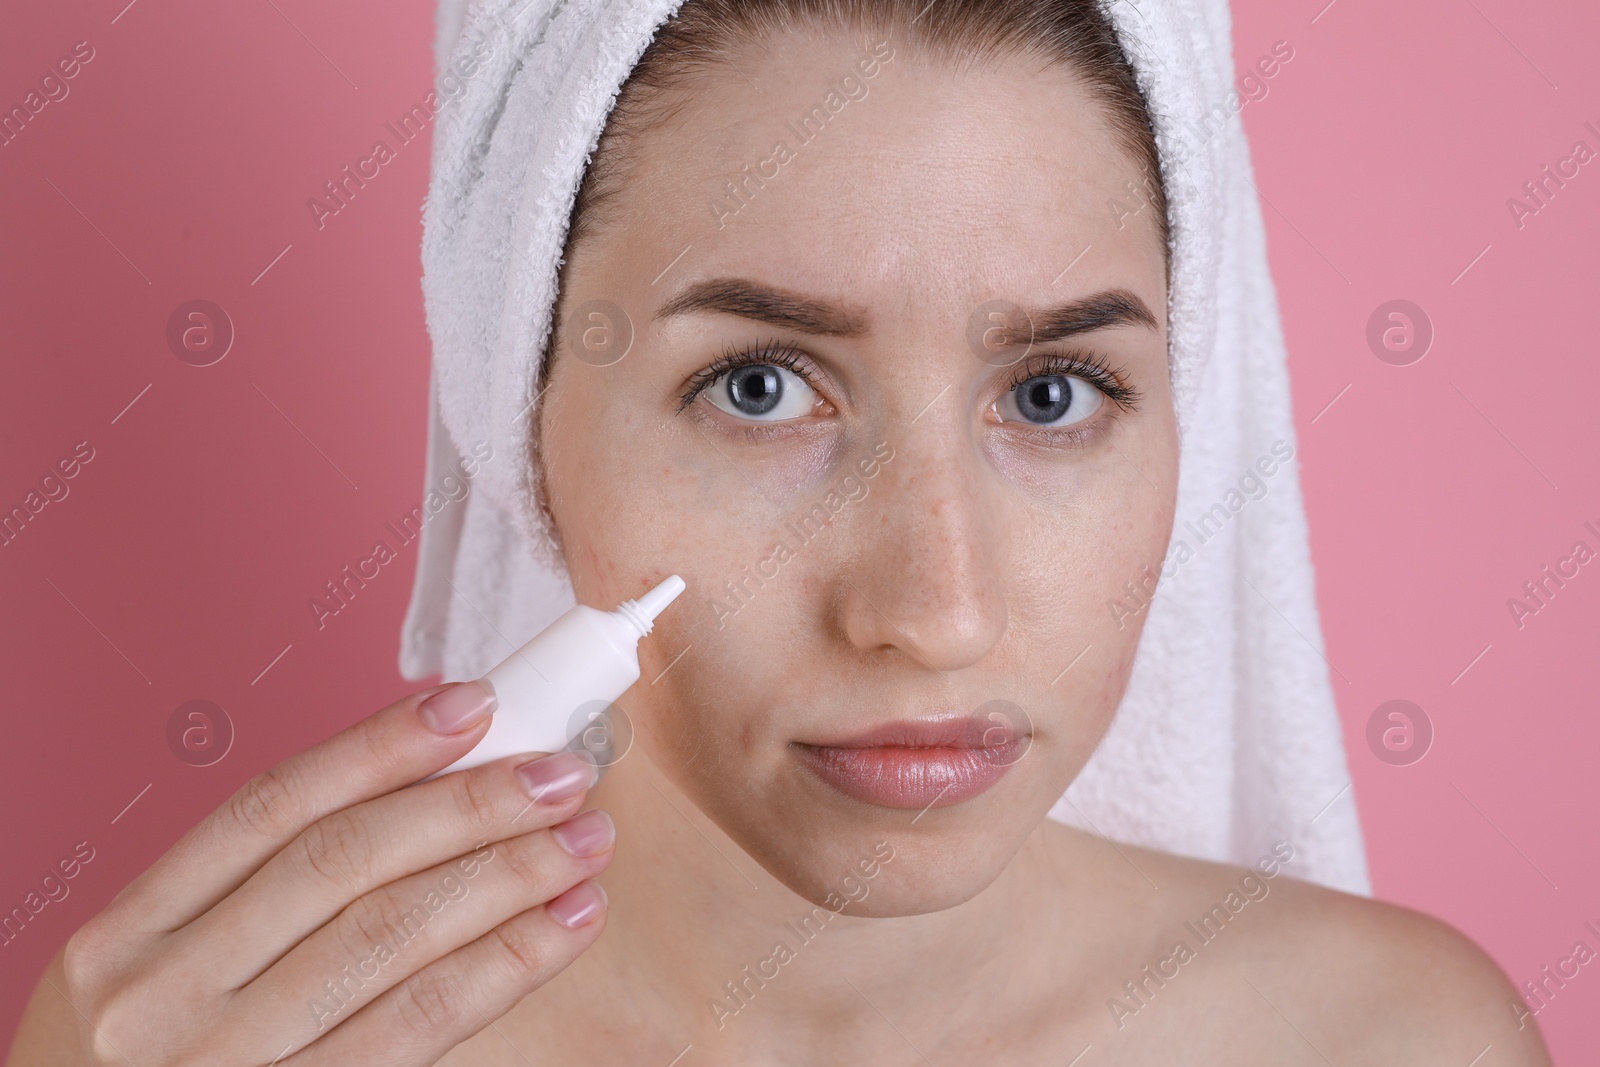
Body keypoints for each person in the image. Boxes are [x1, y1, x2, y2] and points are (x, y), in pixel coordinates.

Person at [7, 0, 1553, 1062]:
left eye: (1056, 392)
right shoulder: (237, 1048)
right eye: (759, 388)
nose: (932, 610)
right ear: (514, 406)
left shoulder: (1390, 1047)